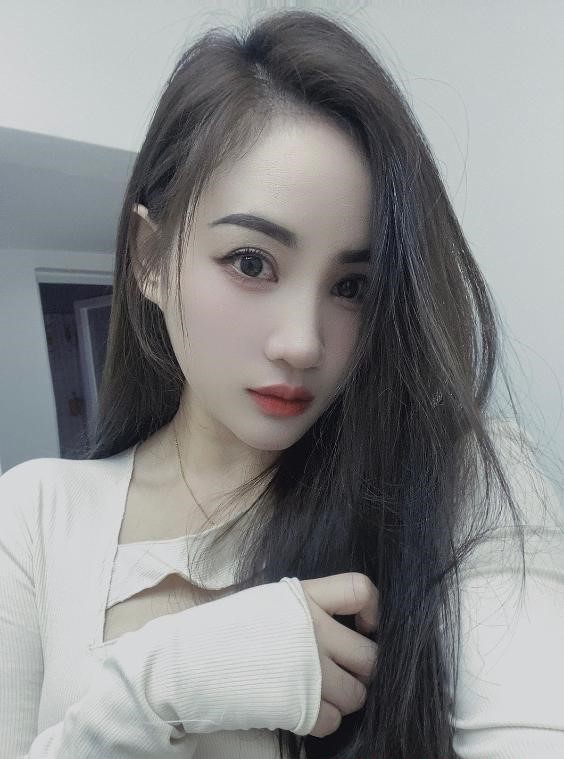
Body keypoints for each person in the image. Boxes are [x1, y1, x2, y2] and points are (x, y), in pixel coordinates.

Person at [1, 8, 563, 759]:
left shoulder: (464, 481)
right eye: (251, 263)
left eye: (352, 286)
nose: (302, 344)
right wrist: (166, 682)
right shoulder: (34, 517)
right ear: (150, 259)